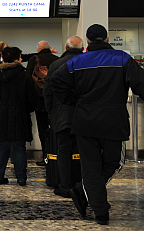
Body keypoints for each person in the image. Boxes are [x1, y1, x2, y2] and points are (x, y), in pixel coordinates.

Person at [51, 24, 144, 225]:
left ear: (88, 40)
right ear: (107, 38)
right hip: (114, 121)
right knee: (113, 163)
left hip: (85, 121)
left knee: (90, 166)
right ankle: (86, 196)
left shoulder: (76, 61)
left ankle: (97, 207)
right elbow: (141, 84)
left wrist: (73, 100)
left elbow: (54, 81)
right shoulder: (122, 59)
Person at [0, 46, 38, 186]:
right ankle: (21, 178)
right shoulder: (25, 75)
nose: (22, 59)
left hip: (0, 114)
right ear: (17, 59)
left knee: (2, 145)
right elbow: (33, 98)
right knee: (19, 146)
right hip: (20, 113)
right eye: (20, 57)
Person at [43, 35, 84, 198]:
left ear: (66, 48)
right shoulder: (87, 63)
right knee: (86, 150)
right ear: (82, 49)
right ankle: (82, 184)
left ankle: (65, 185)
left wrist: (51, 113)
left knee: (63, 150)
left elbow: (48, 92)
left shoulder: (55, 65)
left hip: (61, 116)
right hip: (85, 115)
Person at [26, 40, 59, 166]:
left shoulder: (34, 59)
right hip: (55, 100)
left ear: (38, 49)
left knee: (43, 129)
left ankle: (45, 156)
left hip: (40, 100)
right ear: (49, 48)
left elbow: (28, 78)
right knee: (55, 128)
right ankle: (56, 154)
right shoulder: (57, 59)